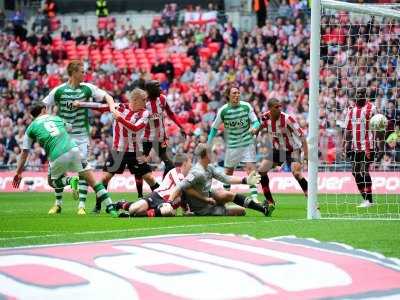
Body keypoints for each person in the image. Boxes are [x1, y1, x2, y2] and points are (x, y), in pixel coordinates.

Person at [12, 103, 117, 217]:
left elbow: (24, 153)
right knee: (94, 183)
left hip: (57, 155)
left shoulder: (31, 128)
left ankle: (70, 181)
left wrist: (18, 172)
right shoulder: (55, 118)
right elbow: (69, 127)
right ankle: (111, 209)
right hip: (74, 149)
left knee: (52, 182)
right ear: (43, 110)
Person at [42, 59, 117, 215]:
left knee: (83, 170)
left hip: (81, 137)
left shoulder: (88, 89)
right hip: (62, 137)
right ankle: (58, 204)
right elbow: (44, 107)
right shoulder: (59, 91)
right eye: (82, 71)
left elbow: (107, 96)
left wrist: (112, 107)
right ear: (74, 73)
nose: (85, 74)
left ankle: (81, 205)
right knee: (57, 172)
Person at [74, 88, 160, 213]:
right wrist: (81, 104)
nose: (146, 102)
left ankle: (161, 202)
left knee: (150, 178)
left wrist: (120, 119)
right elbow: (100, 106)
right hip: (118, 151)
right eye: (144, 100)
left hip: (135, 152)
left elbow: (136, 128)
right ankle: (98, 206)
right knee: (104, 179)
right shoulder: (119, 107)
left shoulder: (145, 113)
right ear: (135, 100)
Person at [169, 143, 271, 216]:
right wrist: (169, 203)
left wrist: (245, 180)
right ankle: (261, 208)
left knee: (226, 194)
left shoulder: (209, 168)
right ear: (206, 155)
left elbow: (225, 178)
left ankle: (263, 209)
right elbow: (179, 187)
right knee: (241, 211)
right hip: (203, 208)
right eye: (211, 153)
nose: (214, 155)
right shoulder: (197, 173)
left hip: (209, 197)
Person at [207, 83, 261, 202]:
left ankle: (255, 198)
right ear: (228, 96)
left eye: (238, 93)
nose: (237, 95)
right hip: (232, 145)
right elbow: (214, 128)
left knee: (251, 170)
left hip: (247, 143)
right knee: (228, 172)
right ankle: (226, 197)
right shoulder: (223, 111)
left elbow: (257, 122)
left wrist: (254, 128)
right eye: (234, 93)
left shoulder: (246, 106)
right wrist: (208, 143)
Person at [134, 80, 186, 199]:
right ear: (150, 90)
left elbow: (171, 114)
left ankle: (161, 190)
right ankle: (140, 195)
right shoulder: (143, 103)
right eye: (157, 87)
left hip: (160, 138)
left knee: (170, 165)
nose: (160, 88)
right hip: (145, 139)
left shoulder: (162, 99)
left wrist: (181, 126)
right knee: (138, 165)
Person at [256, 98, 308, 212]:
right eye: (276, 107)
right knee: (261, 172)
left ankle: (312, 201)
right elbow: (259, 127)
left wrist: (307, 156)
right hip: (277, 150)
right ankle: (270, 202)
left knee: (297, 173)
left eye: (280, 106)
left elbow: (302, 137)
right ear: (270, 109)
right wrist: (254, 133)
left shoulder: (288, 119)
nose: (279, 109)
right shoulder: (265, 117)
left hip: (292, 149)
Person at [114, 153, 192, 217]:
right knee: (133, 209)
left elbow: (182, 195)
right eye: (190, 162)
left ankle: (139, 214)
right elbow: (180, 189)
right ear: (185, 163)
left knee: (169, 211)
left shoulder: (186, 176)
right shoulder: (175, 171)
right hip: (157, 196)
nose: (191, 165)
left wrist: (185, 209)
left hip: (166, 204)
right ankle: (122, 204)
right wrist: (170, 202)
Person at [343, 88, 378, 208]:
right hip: (355, 147)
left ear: (365, 96)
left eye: (361, 94)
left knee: (364, 170)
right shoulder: (351, 110)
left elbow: (378, 125)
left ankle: (369, 200)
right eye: (357, 94)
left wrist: (379, 142)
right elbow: (347, 130)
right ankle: (366, 198)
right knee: (355, 172)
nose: (359, 96)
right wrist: (345, 146)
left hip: (368, 146)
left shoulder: (371, 108)